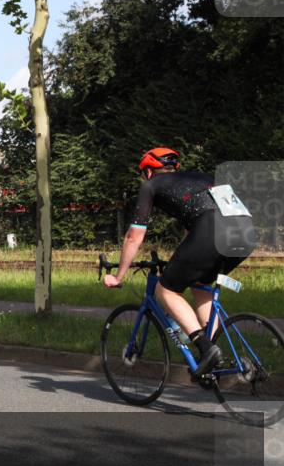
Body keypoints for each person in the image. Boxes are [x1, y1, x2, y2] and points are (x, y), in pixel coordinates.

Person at [103, 148, 256, 378]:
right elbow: (193, 232)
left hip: (212, 230)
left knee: (164, 290)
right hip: (246, 232)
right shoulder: (202, 179)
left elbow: (134, 236)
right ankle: (213, 359)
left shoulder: (151, 185)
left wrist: (118, 276)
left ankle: (206, 350)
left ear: (147, 171)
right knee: (199, 283)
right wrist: (179, 262)